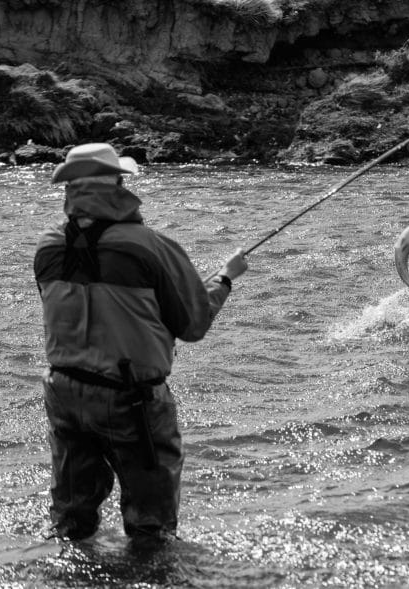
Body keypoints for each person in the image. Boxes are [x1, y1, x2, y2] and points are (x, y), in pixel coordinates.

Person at [33, 142, 248, 541]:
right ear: (118, 183)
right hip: (129, 400)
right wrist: (224, 279)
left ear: (71, 189)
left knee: (70, 522)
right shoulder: (148, 244)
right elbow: (193, 324)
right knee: (152, 528)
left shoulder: (48, 245)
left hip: (62, 391)